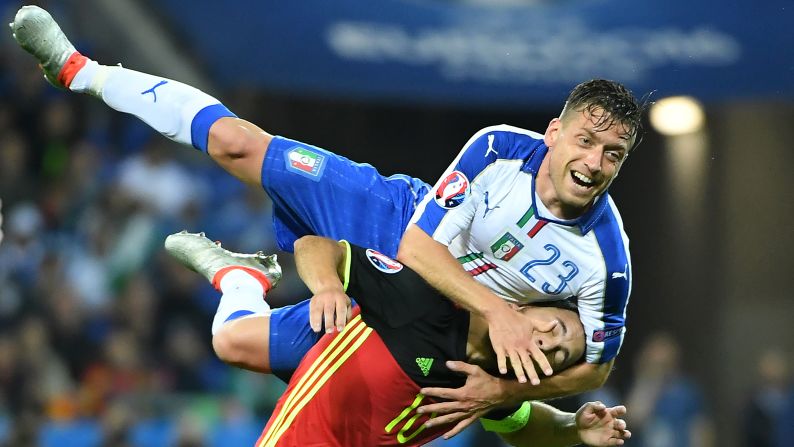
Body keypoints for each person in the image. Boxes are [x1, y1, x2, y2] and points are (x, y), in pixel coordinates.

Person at [11, 5, 644, 433]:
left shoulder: (606, 261)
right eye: (585, 140)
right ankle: (80, 71)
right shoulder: (501, 147)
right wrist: (500, 310)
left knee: (231, 342)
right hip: (403, 222)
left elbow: (597, 365)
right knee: (240, 146)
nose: (593, 162)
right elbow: (418, 242)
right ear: (554, 132)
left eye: (612, 153)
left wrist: (508, 395)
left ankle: (240, 280)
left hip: (434, 330)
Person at [164, 230, 631, 447]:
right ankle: (243, 280)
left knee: (229, 340)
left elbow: (528, 425)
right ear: (530, 304)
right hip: (337, 359)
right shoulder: (423, 304)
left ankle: (239, 279)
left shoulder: (489, 385)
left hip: (354, 368)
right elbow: (315, 245)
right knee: (228, 343)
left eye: (558, 354)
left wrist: (574, 428)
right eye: (559, 326)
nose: (550, 340)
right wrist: (328, 286)